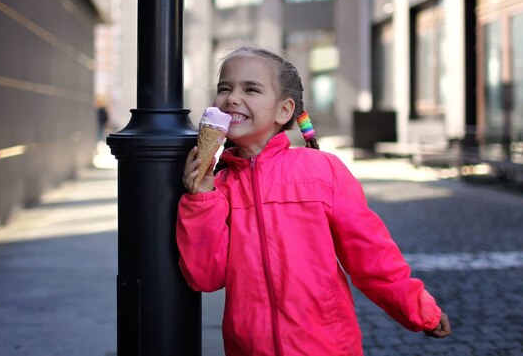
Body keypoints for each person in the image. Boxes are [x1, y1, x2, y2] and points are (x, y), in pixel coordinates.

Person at [177, 46, 451, 355]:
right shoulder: (219, 188)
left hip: (327, 345)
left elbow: (372, 257)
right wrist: (200, 199)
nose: (232, 98)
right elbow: (205, 277)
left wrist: (420, 311)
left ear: (284, 111)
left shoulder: (323, 171)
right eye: (224, 88)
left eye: (250, 89)